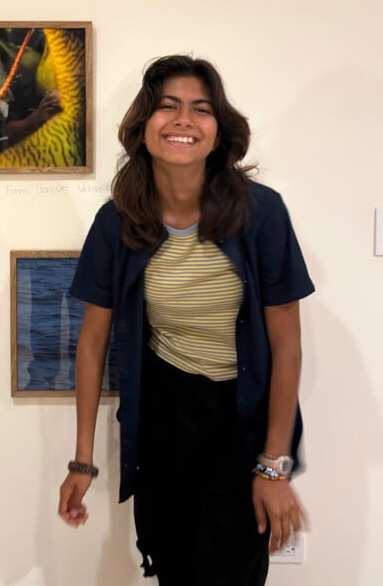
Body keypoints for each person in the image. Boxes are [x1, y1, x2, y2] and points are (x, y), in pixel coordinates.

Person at [58, 55, 314, 585]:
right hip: (163, 418)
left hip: (241, 420)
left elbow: (286, 345)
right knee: (173, 568)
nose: (183, 120)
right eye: (168, 106)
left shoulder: (261, 213)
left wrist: (273, 465)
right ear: (143, 125)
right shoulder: (116, 221)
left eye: (201, 109)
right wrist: (82, 462)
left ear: (218, 132)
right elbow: (92, 341)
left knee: (232, 571)